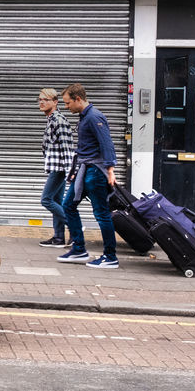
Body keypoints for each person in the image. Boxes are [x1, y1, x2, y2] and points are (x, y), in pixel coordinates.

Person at [57, 83, 120, 269]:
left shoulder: (94, 117)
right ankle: (79, 249)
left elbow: (106, 144)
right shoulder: (85, 116)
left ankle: (110, 257)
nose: (66, 107)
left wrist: (110, 170)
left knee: (101, 214)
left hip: (95, 171)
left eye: (68, 103)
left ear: (78, 99)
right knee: (68, 205)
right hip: (84, 169)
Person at [37, 88, 73, 247]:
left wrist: (70, 172)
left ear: (55, 102)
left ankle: (74, 226)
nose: (42, 102)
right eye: (40, 99)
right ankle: (59, 237)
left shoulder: (59, 121)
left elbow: (67, 148)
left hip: (60, 168)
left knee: (46, 200)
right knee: (57, 200)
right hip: (55, 167)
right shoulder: (52, 120)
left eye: (46, 99)